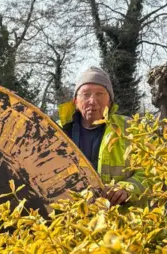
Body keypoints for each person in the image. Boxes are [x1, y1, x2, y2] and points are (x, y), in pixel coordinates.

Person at [57, 66, 145, 206]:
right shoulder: (56, 131)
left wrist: (127, 189)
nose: (92, 101)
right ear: (75, 102)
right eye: (86, 94)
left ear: (110, 101)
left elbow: (151, 173)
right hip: (67, 219)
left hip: (119, 220)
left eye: (100, 94)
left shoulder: (131, 128)